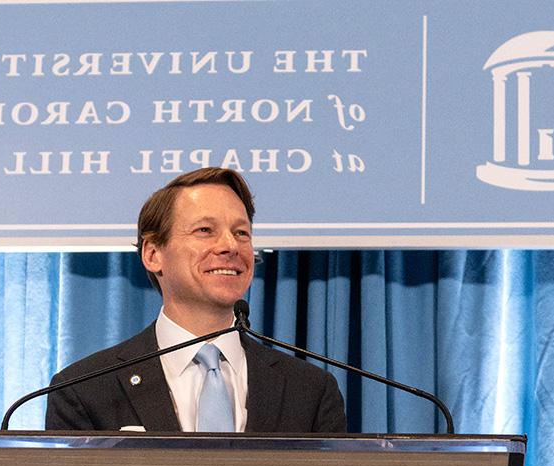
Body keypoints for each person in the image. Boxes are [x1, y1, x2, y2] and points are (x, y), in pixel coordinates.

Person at [45, 167, 347, 434]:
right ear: (153, 254)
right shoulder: (85, 389)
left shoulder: (310, 391)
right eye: (205, 230)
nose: (231, 245)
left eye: (241, 233)